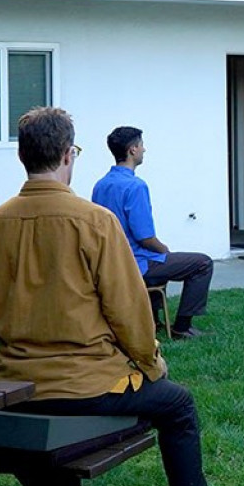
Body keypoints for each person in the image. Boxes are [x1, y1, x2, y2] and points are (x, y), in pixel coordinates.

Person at [0, 107, 242, 486]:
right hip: (87, 385)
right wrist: (151, 362)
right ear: (68, 155)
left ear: (23, 158)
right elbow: (131, 312)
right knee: (177, 404)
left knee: (32, 434)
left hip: (15, 385)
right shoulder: (94, 222)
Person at [91, 125, 215, 340]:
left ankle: (154, 322)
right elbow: (145, 237)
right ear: (132, 150)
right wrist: (163, 249)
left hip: (112, 261)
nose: (144, 150)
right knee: (202, 263)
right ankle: (182, 327)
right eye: (141, 145)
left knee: (160, 261)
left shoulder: (101, 185)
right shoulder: (135, 186)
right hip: (137, 262)